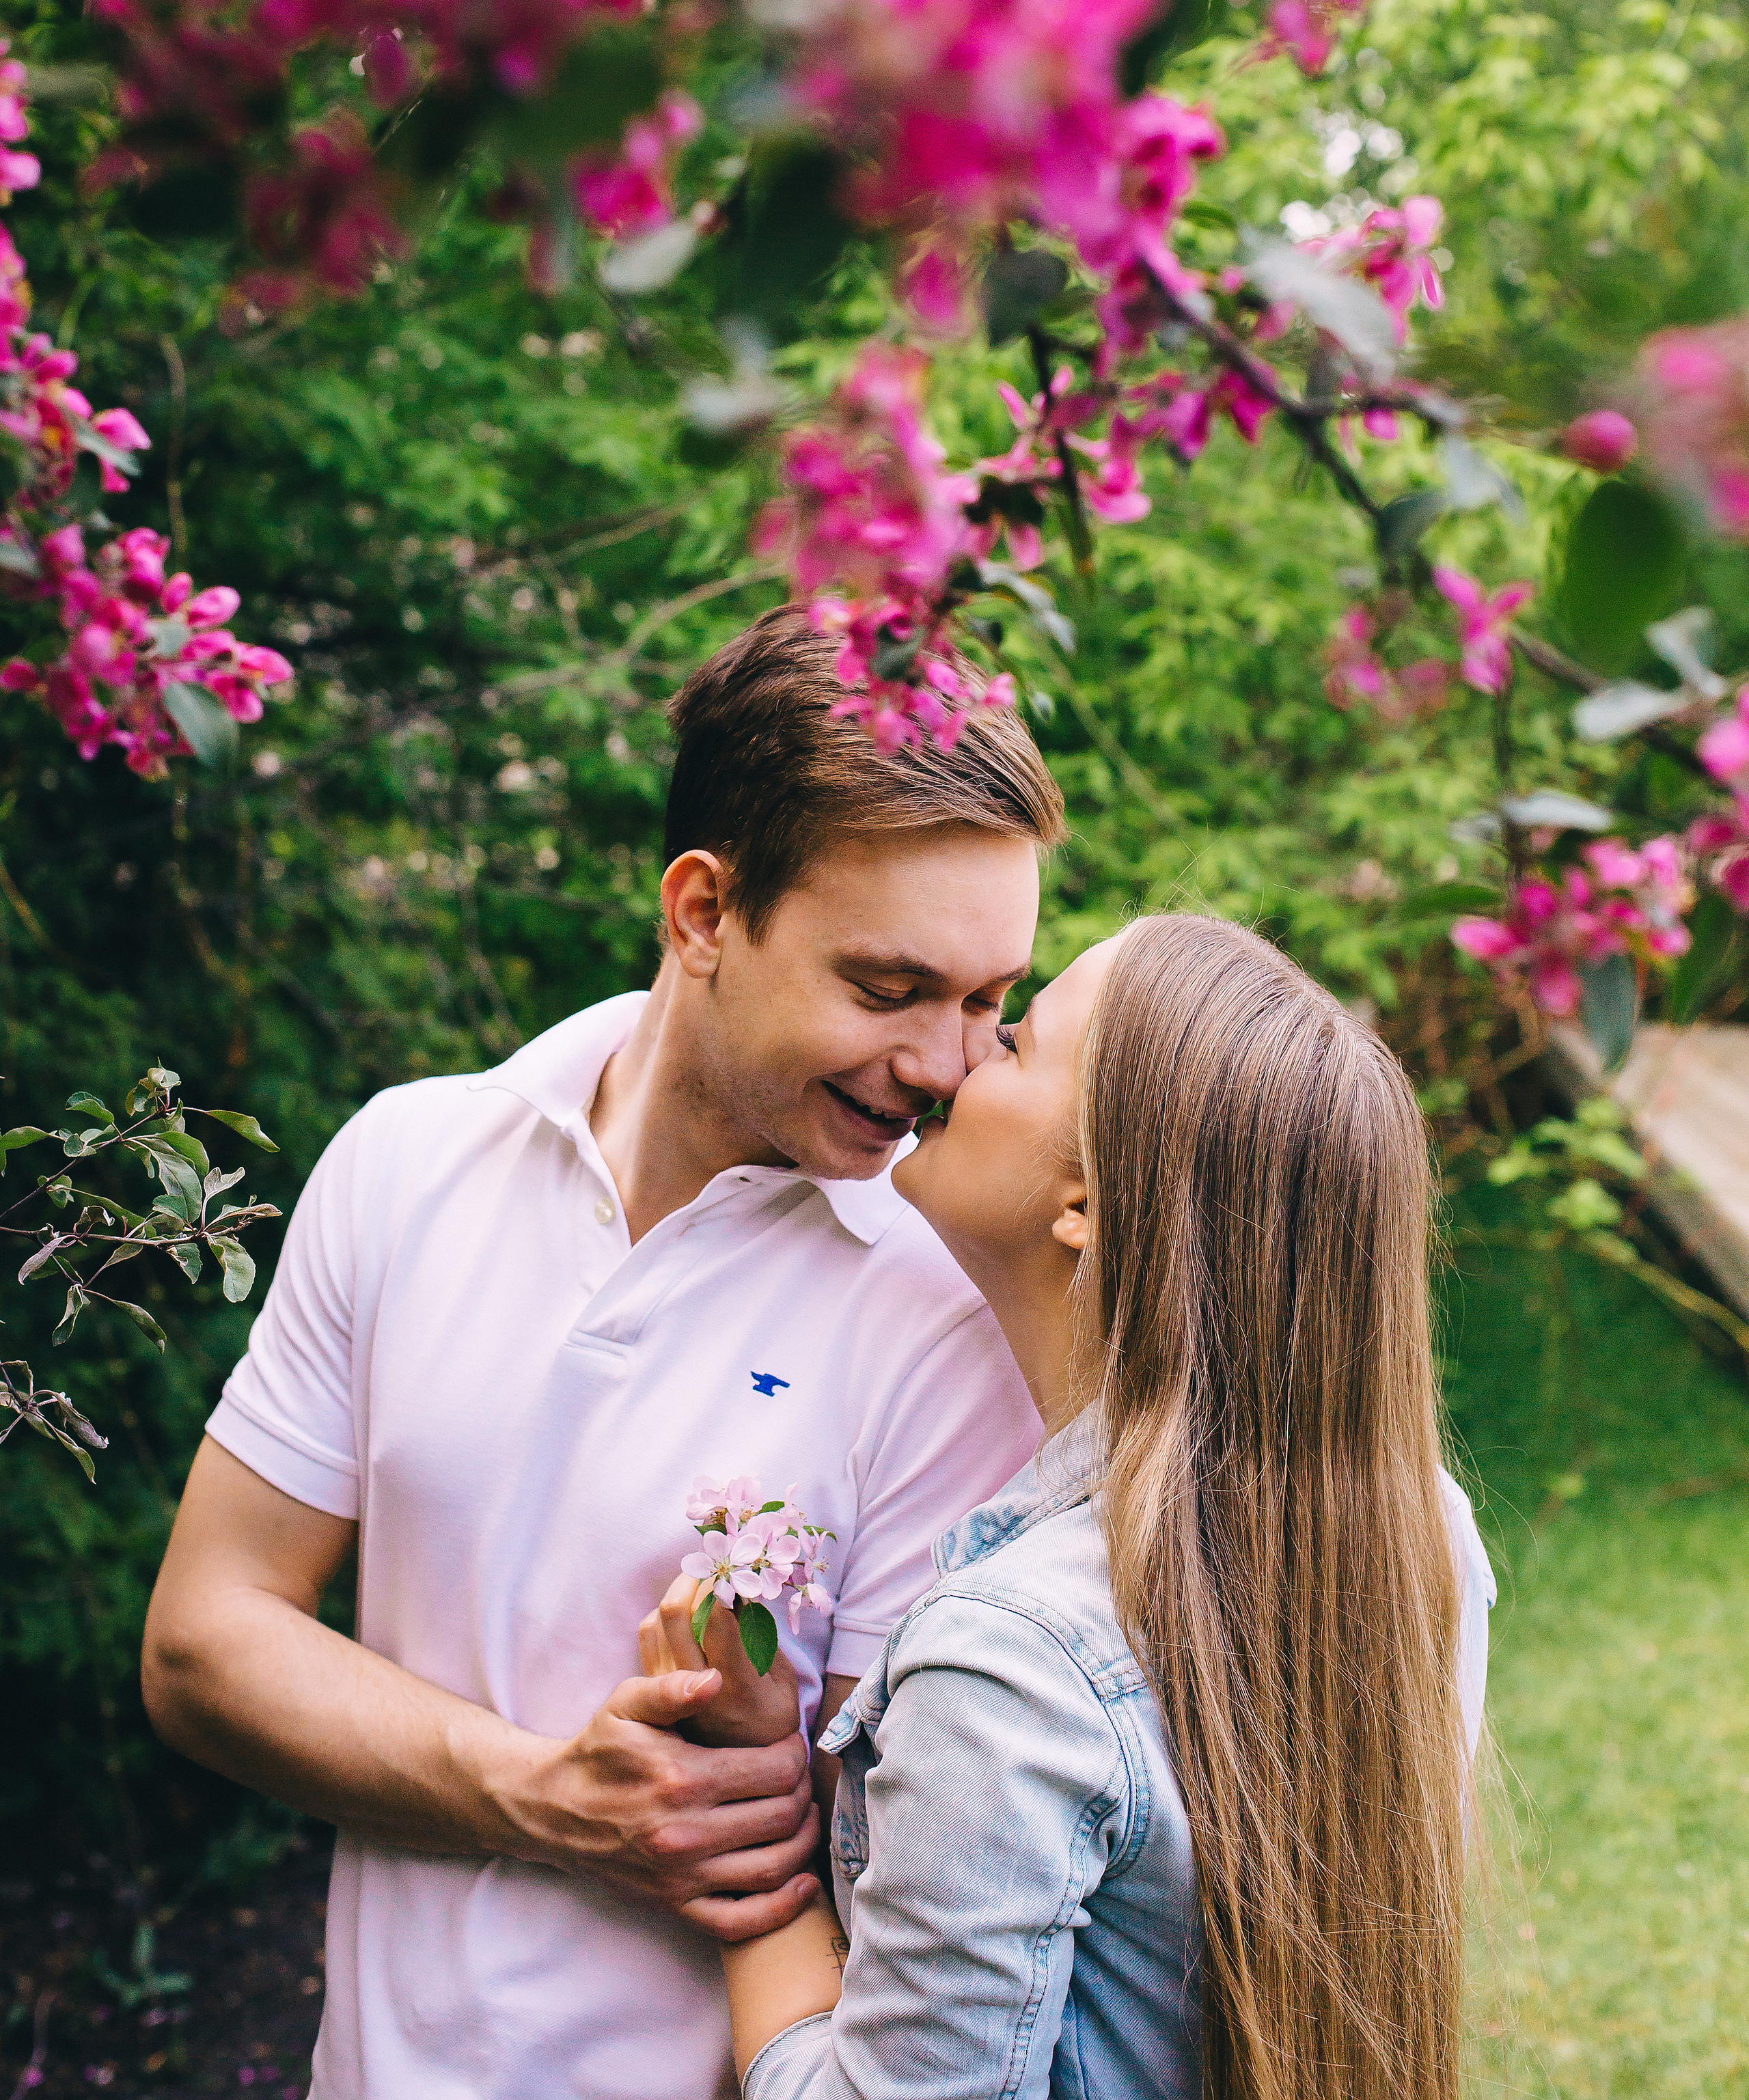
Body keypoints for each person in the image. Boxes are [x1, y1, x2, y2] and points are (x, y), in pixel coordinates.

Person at [140, 607, 1060, 2100]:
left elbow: (910, 1876)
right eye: (888, 990)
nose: (944, 1068)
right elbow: (203, 1643)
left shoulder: (952, 1309)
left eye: (986, 1003)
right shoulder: (407, 1158)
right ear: (702, 914)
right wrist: (541, 1796)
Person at [640, 911, 1497, 2100]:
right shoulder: (1422, 1537)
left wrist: (755, 1813)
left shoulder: (1012, 1662)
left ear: (1086, 1206)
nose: (957, 1061)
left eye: (1021, 1041)